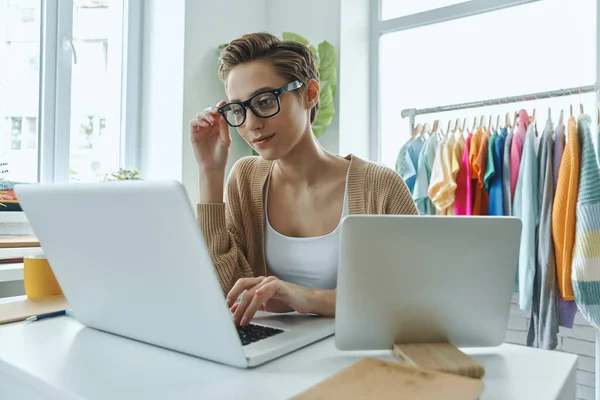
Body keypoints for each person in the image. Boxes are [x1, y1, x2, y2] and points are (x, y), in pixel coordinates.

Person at [190, 32, 417, 327]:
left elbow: (412, 296)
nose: (252, 123)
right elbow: (228, 293)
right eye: (239, 109)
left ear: (310, 94)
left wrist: (307, 298)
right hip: (274, 356)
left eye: (265, 101)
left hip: (356, 356)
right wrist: (210, 172)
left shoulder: (380, 187)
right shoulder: (244, 179)